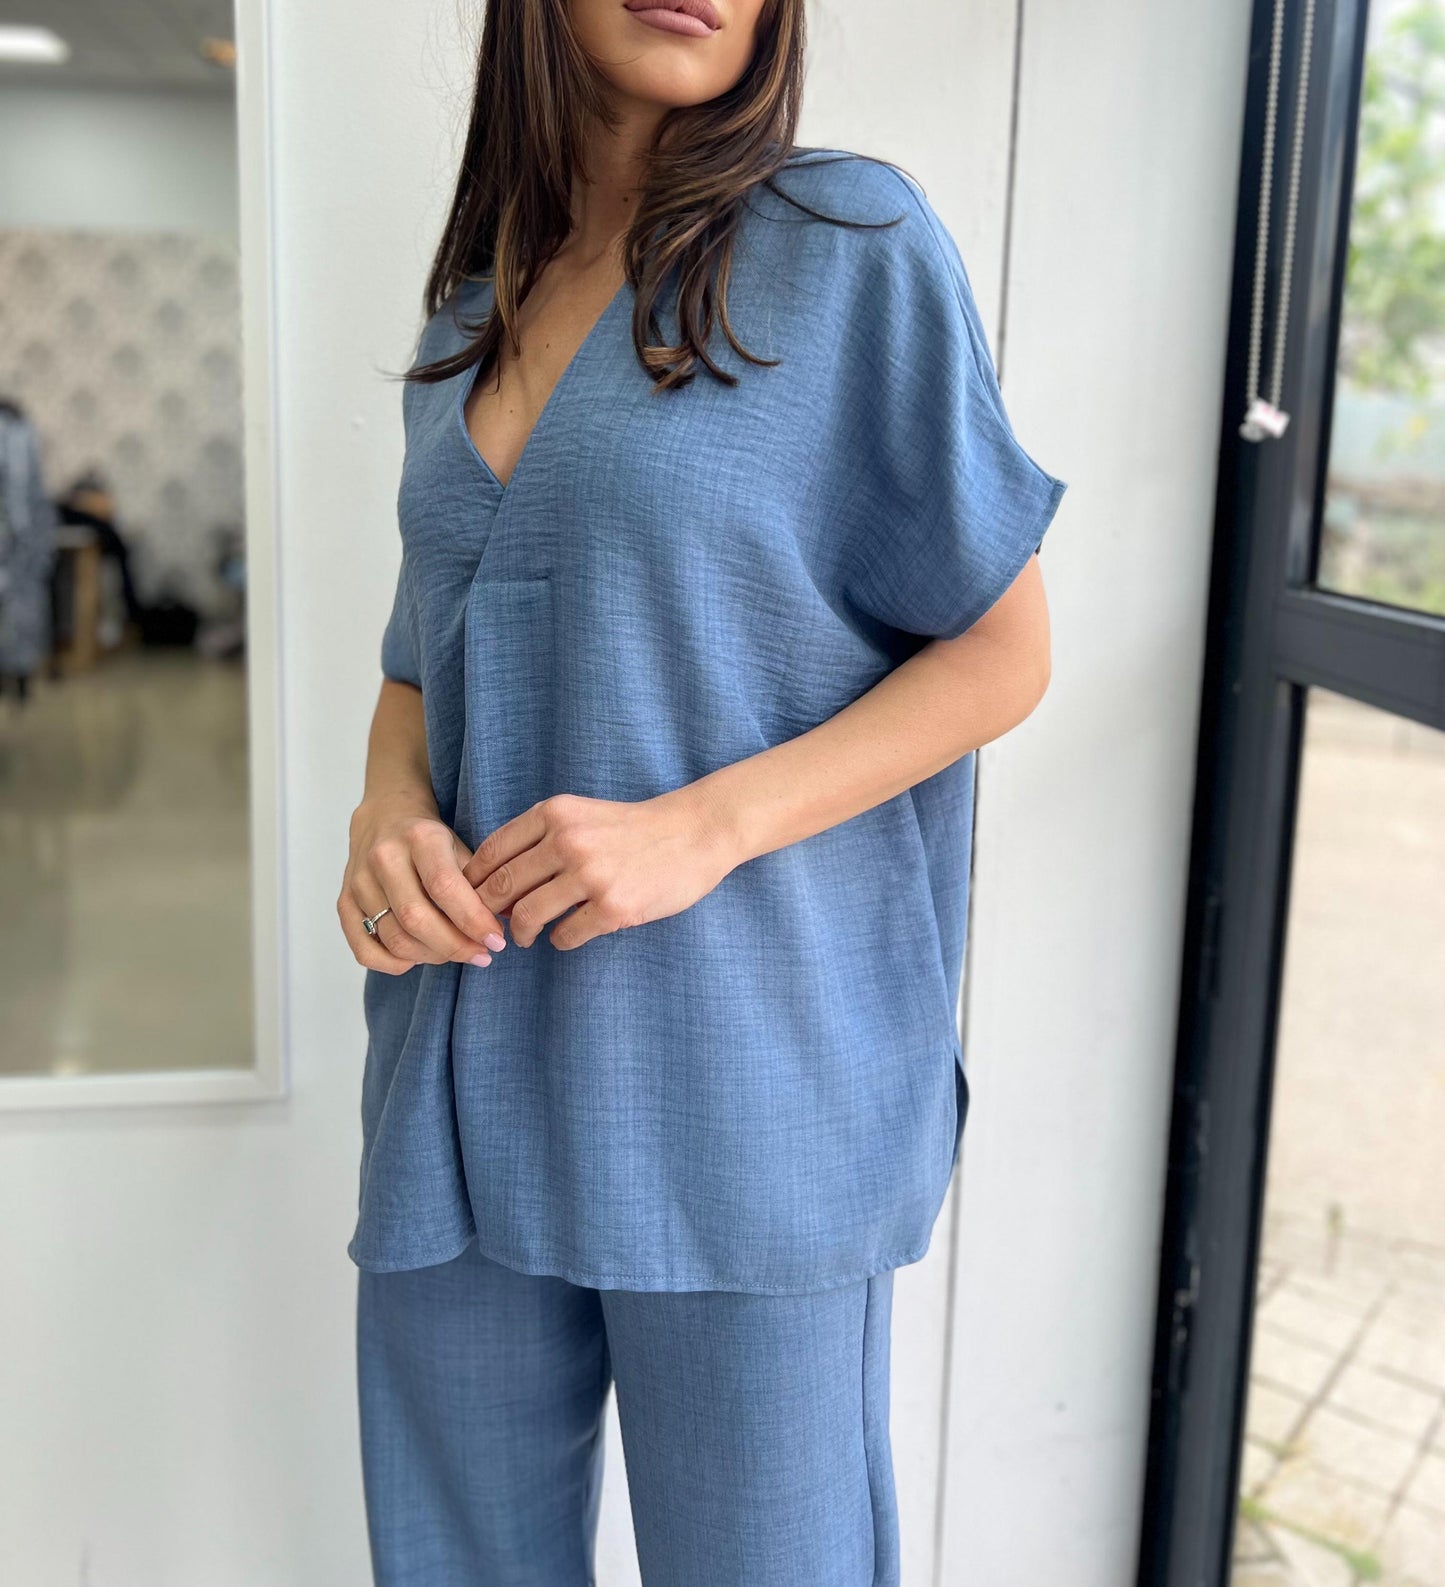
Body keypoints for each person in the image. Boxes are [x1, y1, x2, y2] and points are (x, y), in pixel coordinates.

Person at [337, 2, 1067, 1583]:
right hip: (459, 1068)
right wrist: (382, 814)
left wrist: (700, 828)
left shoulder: (846, 245)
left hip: (741, 1084)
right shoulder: (475, 303)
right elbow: (419, 663)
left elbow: (1001, 651)